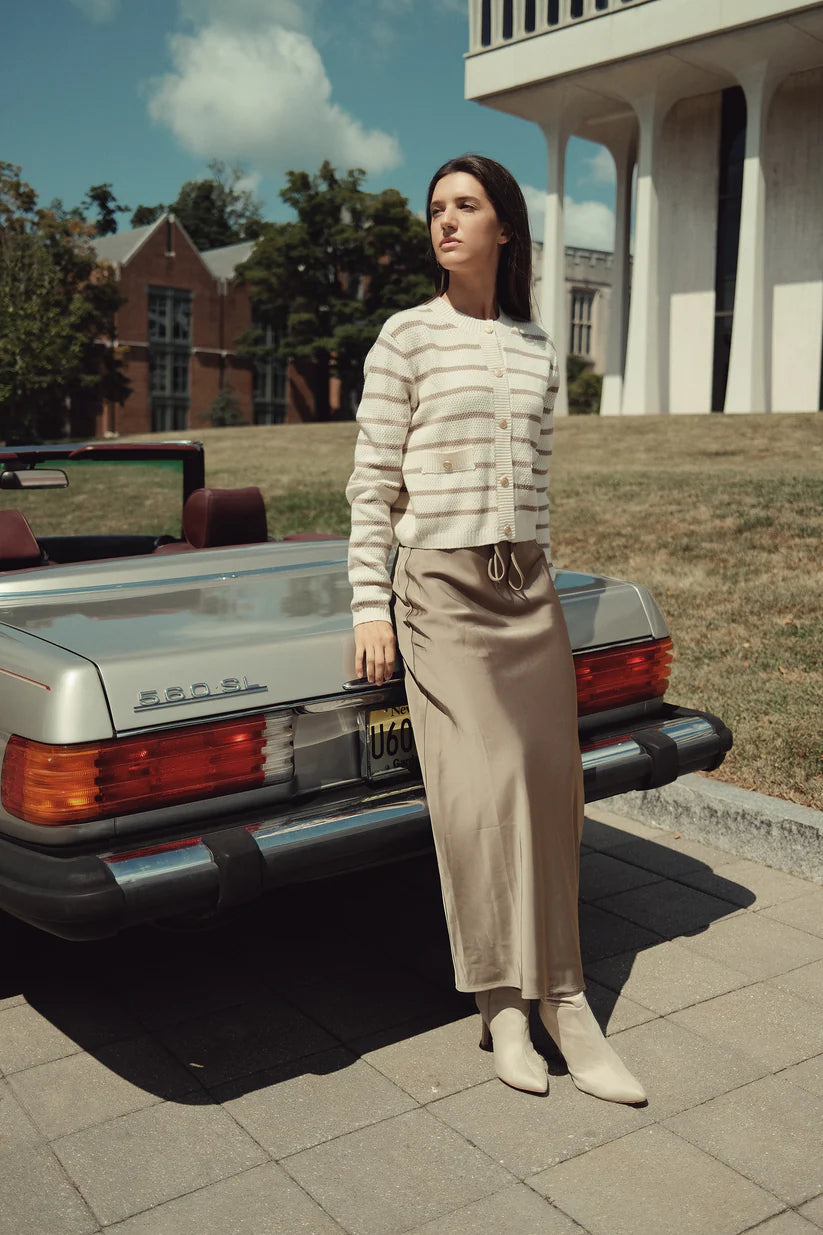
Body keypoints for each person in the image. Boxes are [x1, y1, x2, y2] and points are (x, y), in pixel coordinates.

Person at [345, 153, 645, 1104]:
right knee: (482, 794)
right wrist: (367, 601)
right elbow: (372, 484)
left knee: (553, 791)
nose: (445, 222)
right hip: (440, 590)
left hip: (527, 592)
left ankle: (566, 1000)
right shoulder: (403, 339)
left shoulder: (533, 347)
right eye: (436, 209)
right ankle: (503, 1002)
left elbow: (539, 488)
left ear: (504, 227)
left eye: (465, 207)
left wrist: (542, 575)